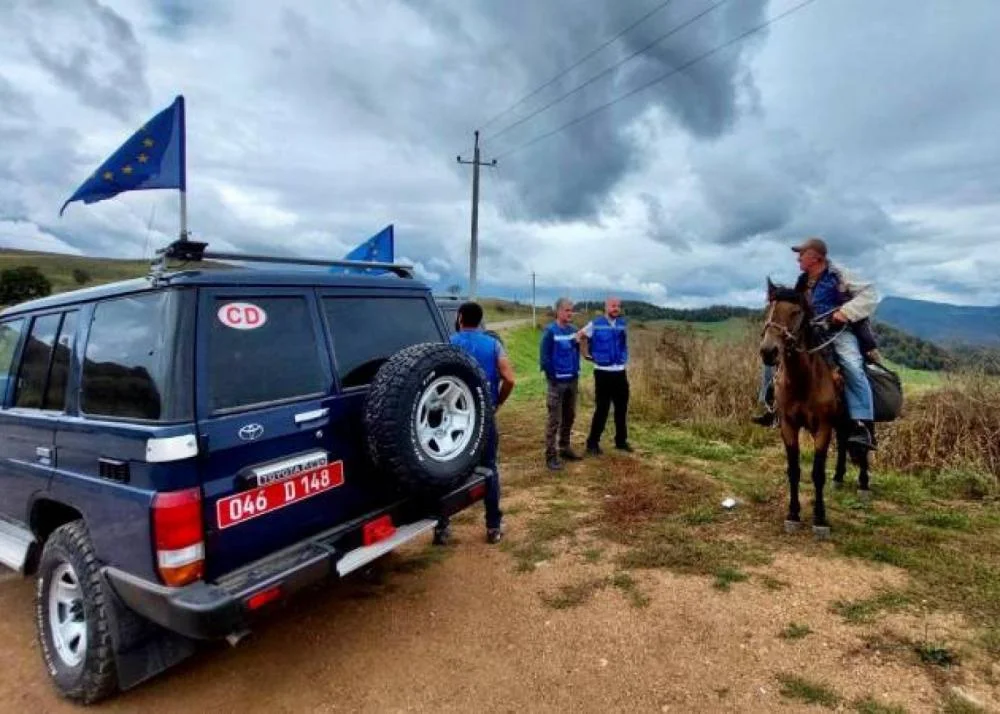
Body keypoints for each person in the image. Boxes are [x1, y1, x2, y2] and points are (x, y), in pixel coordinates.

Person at [752, 237, 878, 450]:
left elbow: (870, 294)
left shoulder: (838, 274)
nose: (798, 258)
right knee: (773, 355)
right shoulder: (802, 282)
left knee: (852, 366)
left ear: (816, 257)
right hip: (809, 331)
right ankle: (773, 408)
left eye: (802, 254)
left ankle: (862, 426)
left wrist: (844, 312)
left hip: (838, 332)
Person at [434, 301, 515, 545]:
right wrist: (496, 404)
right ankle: (493, 527)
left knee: (444, 471)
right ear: (480, 321)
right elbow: (510, 379)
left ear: (459, 318)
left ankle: (441, 527)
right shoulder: (493, 345)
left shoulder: (448, 343)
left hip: (454, 419)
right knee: (489, 468)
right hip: (483, 417)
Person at [578, 296, 632, 455]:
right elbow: (581, 336)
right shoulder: (595, 324)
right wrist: (585, 354)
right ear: (606, 307)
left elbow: (623, 343)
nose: (616, 309)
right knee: (602, 409)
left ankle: (621, 442)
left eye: (618, 306)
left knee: (621, 409)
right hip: (602, 373)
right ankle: (592, 443)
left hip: (620, 372)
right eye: (613, 306)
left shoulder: (622, 324)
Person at [539, 297, 581, 471]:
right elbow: (544, 358)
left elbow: (576, 349)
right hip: (557, 383)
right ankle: (550, 456)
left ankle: (564, 448)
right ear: (558, 311)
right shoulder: (550, 331)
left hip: (572, 380)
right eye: (566, 310)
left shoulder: (573, 330)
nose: (570, 313)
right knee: (554, 419)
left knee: (569, 416)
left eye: (571, 310)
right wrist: (553, 376)